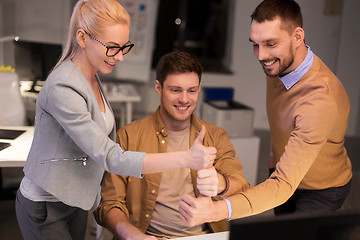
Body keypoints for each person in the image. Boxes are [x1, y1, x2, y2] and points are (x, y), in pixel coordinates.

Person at [15, 1, 216, 239]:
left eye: (124, 47)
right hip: (45, 205)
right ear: (82, 38)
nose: (120, 57)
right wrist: (186, 158)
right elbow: (110, 156)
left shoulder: (91, 77)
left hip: (74, 200)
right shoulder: (63, 85)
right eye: (112, 47)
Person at [177, 0, 353, 223]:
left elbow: (282, 186)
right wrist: (273, 160)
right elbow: (284, 118)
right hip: (284, 173)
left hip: (321, 189)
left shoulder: (320, 99)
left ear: (297, 37)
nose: (260, 56)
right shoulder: (279, 65)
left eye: (270, 44)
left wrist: (214, 211)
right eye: (255, 44)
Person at [94, 51, 249, 239]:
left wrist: (220, 183)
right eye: (175, 90)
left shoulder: (215, 136)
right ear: (158, 88)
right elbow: (110, 203)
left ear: (199, 89)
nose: (184, 99)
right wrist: (132, 235)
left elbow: (242, 187)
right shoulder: (129, 136)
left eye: (191, 90)